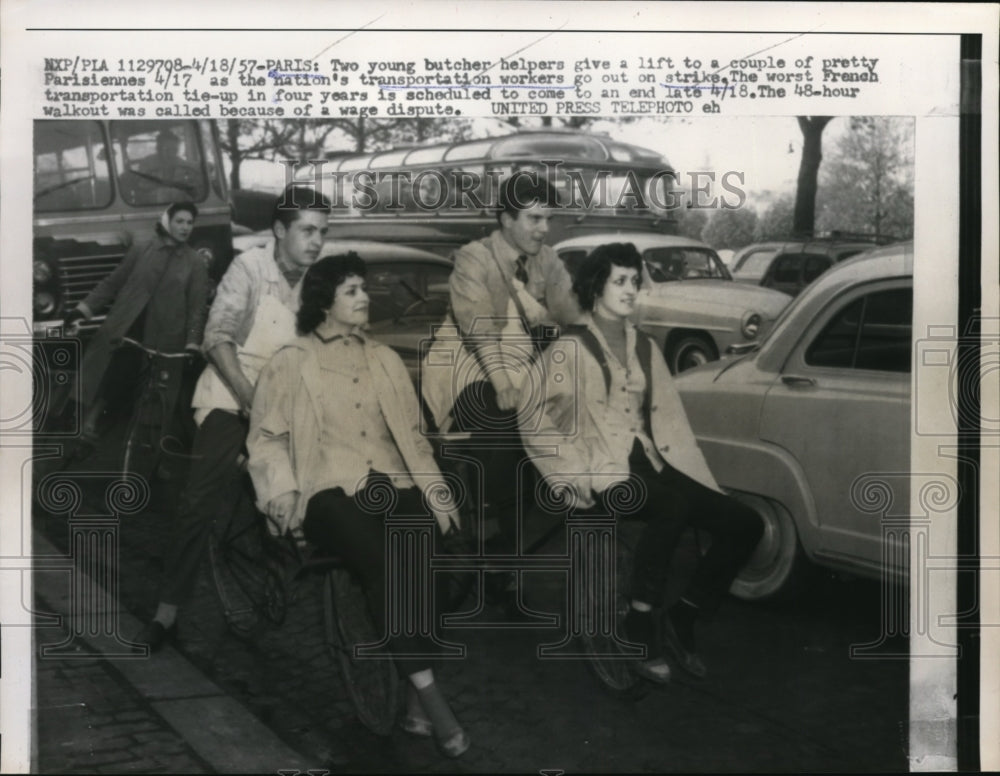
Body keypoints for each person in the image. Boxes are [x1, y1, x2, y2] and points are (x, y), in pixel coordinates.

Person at [248, 253, 470, 757]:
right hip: (326, 489)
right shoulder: (292, 360)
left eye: (363, 289)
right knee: (386, 564)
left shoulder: (384, 358)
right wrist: (282, 499)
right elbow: (266, 441)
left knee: (427, 560)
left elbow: (413, 437)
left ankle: (413, 700)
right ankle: (434, 706)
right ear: (325, 300)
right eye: (352, 290)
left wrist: (435, 492)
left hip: (389, 480)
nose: (365, 298)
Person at [519, 242, 764, 683]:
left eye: (635, 280)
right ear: (596, 287)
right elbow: (531, 416)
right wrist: (571, 473)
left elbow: (671, 424)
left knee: (745, 523)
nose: (631, 289)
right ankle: (640, 618)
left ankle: (684, 616)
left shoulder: (646, 348)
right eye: (620, 281)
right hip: (603, 469)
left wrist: (702, 479)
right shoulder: (568, 350)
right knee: (672, 506)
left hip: (653, 462)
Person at [135, 186, 331, 650]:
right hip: (230, 393)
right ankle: (167, 613)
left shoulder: (317, 281)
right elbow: (217, 338)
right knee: (198, 503)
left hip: (284, 402)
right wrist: (250, 399)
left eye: (324, 232)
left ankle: (282, 564)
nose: (317, 241)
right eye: (307, 230)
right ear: (280, 230)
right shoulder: (250, 268)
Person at [420, 174, 579, 602]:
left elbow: (571, 311)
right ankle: (488, 535)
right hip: (467, 374)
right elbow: (477, 327)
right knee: (508, 432)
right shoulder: (475, 257)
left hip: (521, 377)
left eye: (548, 218)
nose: (544, 228)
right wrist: (503, 381)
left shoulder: (547, 260)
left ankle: (510, 533)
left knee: (568, 430)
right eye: (534, 218)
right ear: (506, 218)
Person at [63, 201, 207, 449]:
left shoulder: (194, 263)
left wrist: (193, 341)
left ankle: (152, 452)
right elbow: (112, 283)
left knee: (160, 393)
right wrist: (82, 309)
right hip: (128, 324)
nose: (185, 227)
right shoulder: (142, 249)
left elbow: (196, 308)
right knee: (119, 367)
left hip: (166, 333)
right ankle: (91, 421)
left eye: (189, 222)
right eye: (179, 221)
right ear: (167, 221)